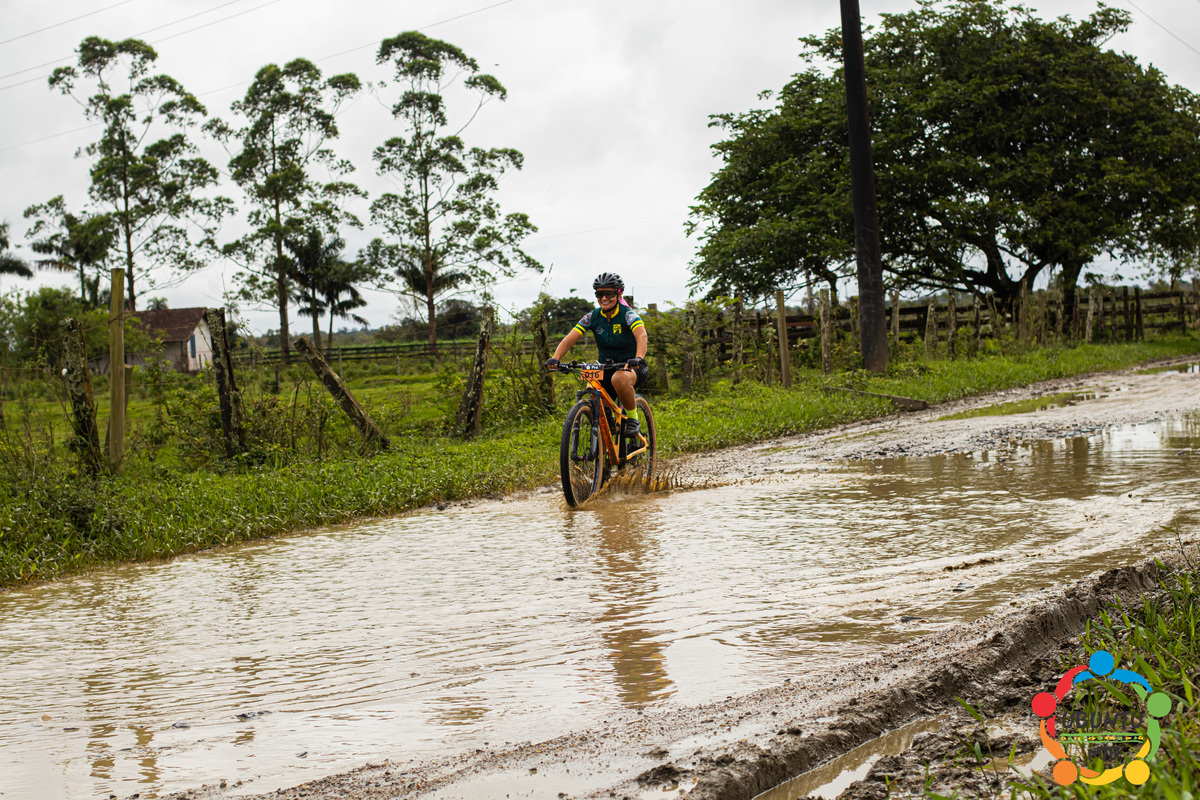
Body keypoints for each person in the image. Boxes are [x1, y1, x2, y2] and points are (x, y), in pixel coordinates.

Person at [545, 273, 649, 435]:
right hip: (606, 367)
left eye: (609, 294)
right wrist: (555, 358)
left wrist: (638, 357)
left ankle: (632, 419)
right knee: (593, 386)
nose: (604, 298)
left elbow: (641, 335)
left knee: (619, 378)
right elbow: (569, 339)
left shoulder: (628, 315)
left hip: (632, 367)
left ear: (619, 294)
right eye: (600, 294)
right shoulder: (592, 317)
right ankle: (605, 431)